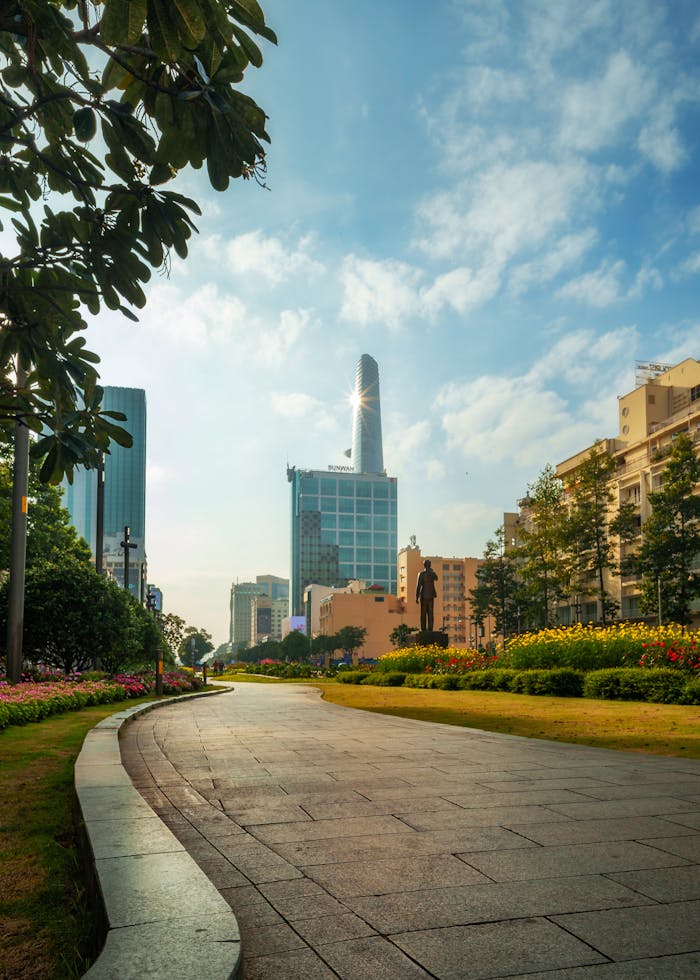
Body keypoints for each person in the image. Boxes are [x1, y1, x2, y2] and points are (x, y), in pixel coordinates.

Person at [416, 559, 438, 631]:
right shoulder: (432, 573)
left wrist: (417, 596)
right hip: (431, 594)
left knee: (423, 613)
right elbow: (436, 578)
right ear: (430, 565)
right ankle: (430, 629)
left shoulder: (421, 574)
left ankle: (423, 629)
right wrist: (431, 570)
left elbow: (418, 585)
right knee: (430, 613)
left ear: (424, 565)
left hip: (424, 595)